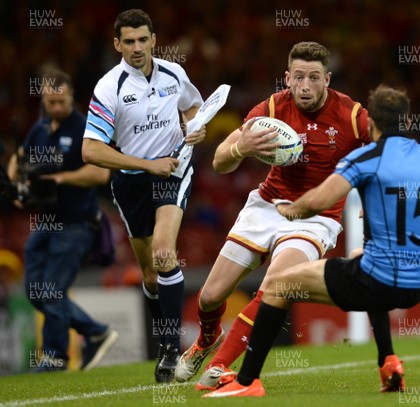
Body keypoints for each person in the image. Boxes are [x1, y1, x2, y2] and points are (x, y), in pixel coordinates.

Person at [203, 84, 420, 397]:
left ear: (371, 121)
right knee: (364, 253)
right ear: (407, 122)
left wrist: (290, 209)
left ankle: (247, 382)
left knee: (279, 285)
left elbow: (320, 200)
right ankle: (389, 361)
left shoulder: (365, 157)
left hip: (379, 281)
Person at [174, 41, 372, 388]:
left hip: (315, 216)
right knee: (209, 297)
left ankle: (220, 367)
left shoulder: (352, 116)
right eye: (298, 77)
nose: (305, 86)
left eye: (313, 77)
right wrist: (241, 147)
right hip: (267, 207)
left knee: (274, 284)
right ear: (287, 79)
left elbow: (389, 150)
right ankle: (208, 338)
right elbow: (220, 161)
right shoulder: (270, 109)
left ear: (327, 78)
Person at [81, 9, 205, 382]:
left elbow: (194, 108)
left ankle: (169, 349)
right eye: (129, 42)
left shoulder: (173, 73)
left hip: (173, 171)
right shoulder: (109, 86)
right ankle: (166, 341)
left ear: (153, 39)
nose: (137, 48)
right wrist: (146, 165)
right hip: (131, 181)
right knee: (150, 275)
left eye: (143, 39)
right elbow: (90, 150)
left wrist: (194, 128)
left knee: (165, 252)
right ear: (117, 44)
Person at [7, 68, 118, 373]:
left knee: (51, 290)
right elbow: (20, 154)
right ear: (44, 99)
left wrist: (60, 178)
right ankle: (95, 331)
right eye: (50, 102)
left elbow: (100, 173)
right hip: (46, 222)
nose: (55, 107)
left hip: (76, 223)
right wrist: (15, 180)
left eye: (60, 101)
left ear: (71, 95)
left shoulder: (85, 127)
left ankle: (55, 358)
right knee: (34, 291)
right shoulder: (41, 129)